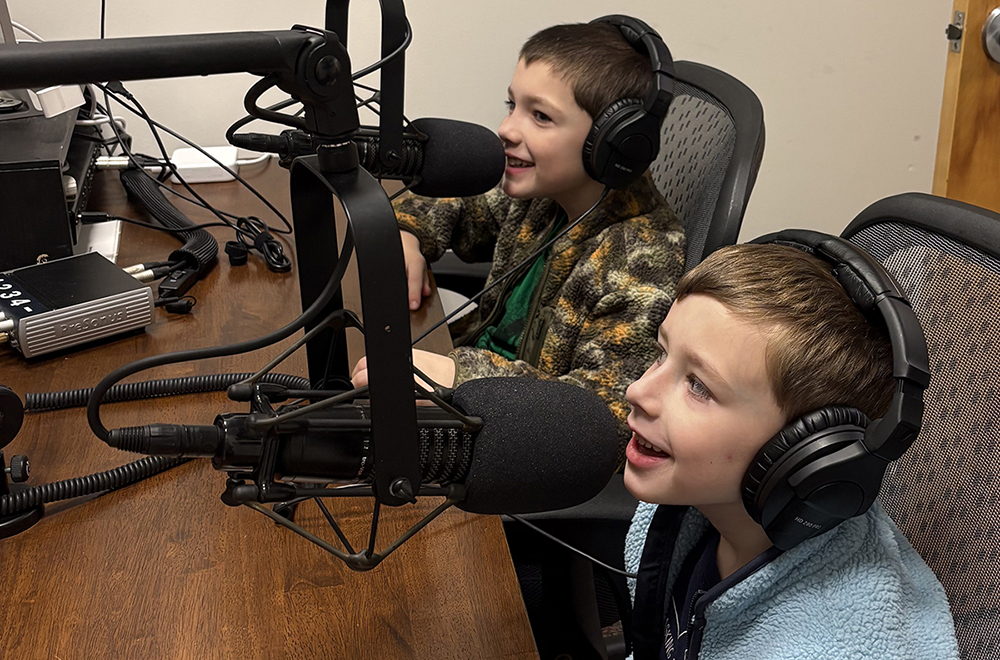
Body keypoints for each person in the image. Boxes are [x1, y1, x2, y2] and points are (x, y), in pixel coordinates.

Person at [351, 19, 686, 451]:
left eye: (540, 116)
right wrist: (407, 233)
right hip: (468, 397)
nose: (507, 129)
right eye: (512, 105)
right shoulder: (544, 196)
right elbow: (461, 202)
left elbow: (608, 409)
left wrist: (458, 376)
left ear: (612, 145)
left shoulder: (641, 256)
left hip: (512, 440)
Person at [622, 242, 958, 659]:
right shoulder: (693, 518)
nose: (636, 391)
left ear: (803, 451)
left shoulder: (823, 646)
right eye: (661, 353)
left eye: (698, 386)